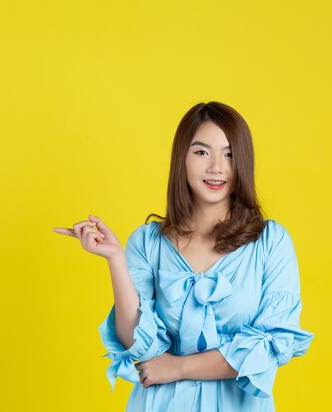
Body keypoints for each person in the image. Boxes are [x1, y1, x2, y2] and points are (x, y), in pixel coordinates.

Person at [52, 101, 314, 411]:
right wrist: (115, 260)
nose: (216, 167)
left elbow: (274, 345)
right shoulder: (149, 242)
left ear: (242, 162)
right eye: (202, 152)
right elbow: (135, 341)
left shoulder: (270, 242)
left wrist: (177, 368)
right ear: (182, 159)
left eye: (229, 154)